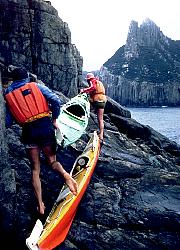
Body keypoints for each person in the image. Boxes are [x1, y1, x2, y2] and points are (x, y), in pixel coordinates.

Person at [4, 66, 78, 215]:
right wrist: (55, 119)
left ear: (13, 79)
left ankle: (41, 205)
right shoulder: (36, 86)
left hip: (28, 132)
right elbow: (55, 100)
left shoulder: (9, 94)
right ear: (26, 78)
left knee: (35, 169)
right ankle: (66, 176)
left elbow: (7, 121)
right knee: (52, 161)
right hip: (45, 127)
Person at [80, 73, 107, 142]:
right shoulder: (99, 82)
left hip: (96, 100)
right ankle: (101, 135)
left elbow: (93, 88)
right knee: (100, 119)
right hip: (103, 100)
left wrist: (84, 90)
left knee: (85, 110)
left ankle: (82, 126)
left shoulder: (92, 81)